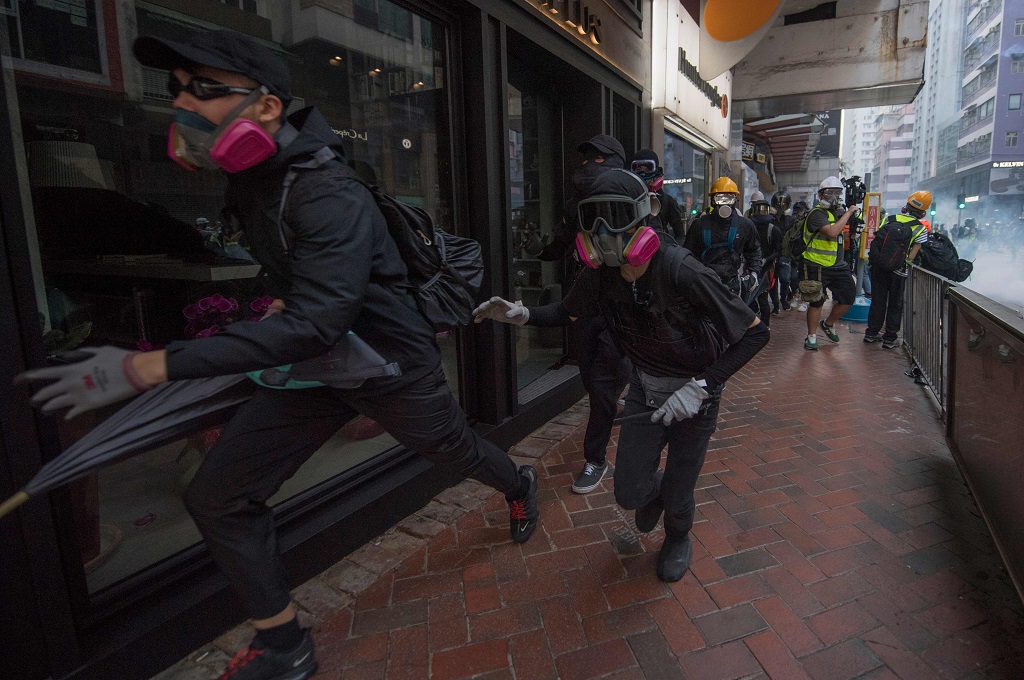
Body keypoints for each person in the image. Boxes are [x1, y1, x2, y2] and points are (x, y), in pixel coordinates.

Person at [17, 30, 540, 680]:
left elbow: (318, 321)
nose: (185, 105)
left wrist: (149, 366)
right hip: (318, 371)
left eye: (205, 89)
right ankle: (285, 643)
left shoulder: (328, 192)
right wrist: (280, 298)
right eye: (179, 89)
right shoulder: (253, 184)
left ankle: (519, 484)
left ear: (267, 109)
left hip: (390, 368)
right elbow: (299, 285)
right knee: (216, 496)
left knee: (455, 451)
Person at [474, 170, 769, 582]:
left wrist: (704, 385)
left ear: (645, 214)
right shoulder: (601, 274)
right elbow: (567, 311)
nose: (604, 231)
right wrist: (522, 314)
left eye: (615, 216)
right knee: (629, 491)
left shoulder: (681, 270)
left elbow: (756, 334)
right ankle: (662, 491)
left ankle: (678, 536)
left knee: (681, 494)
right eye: (593, 219)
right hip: (645, 392)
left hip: (693, 396)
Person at [522, 134, 631, 494]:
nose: (589, 165)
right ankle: (612, 404)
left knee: (602, 385)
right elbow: (561, 242)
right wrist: (539, 248)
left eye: (598, 158)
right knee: (591, 378)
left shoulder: (636, 200)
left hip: (621, 306)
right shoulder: (575, 207)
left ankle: (595, 458)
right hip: (583, 301)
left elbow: (660, 247)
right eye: (587, 158)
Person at [799, 176, 859, 350]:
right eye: (829, 192)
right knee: (816, 301)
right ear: (820, 195)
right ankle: (811, 337)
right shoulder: (817, 213)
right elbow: (832, 232)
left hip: (838, 265)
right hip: (816, 264)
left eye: (837, 192)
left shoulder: (836, 213)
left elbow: (840, 237)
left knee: (848, 298)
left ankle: (829, 324)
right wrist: (848, 214)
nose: (833, 196)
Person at [864, 191, 930, 349]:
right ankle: (890, 338)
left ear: (906, 206)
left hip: (879, 267)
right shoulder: (920, 229)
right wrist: (903, 262)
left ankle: (871, 333)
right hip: (899, 271)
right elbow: (913, 253)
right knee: (895, 304)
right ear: (923, 212)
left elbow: (880, 238)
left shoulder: (889, 218)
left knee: (878, 301)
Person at [683, 176, 762, 296]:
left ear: (735, 200)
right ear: (713, 200)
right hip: (704, 283)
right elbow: (688, 253)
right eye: (720, 198)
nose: (725, 203)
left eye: (729, 198)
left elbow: (754, 250)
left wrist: (754, 273)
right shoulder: (699, 225)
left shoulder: (744, 225)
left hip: (732, 284)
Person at [630, 148, 685, 243]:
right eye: (637, 168)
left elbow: (680, 235)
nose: (642, 173)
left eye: (648, 167)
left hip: (659, 248)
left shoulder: (667, 201)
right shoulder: (628, 198)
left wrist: (671, 253)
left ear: (657, 171)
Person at [748, 194, 781, 327]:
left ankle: (765, 325)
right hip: (750, 266)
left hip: (766, 268)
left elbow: (778, 250)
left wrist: (766, 259)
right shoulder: (748, 227)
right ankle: (755, 320)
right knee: (749, 296)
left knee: (762, 297)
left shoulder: (774, 230)